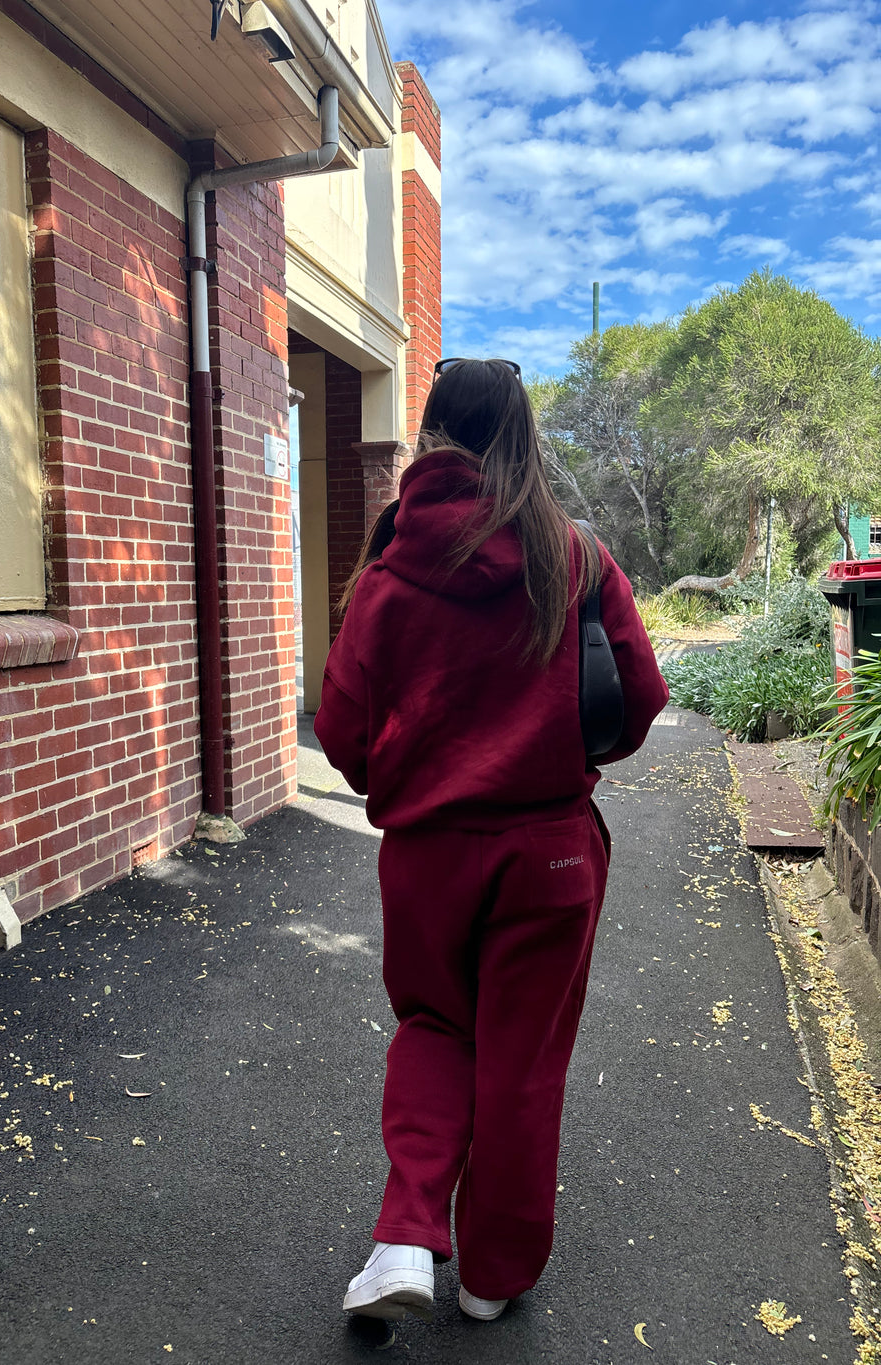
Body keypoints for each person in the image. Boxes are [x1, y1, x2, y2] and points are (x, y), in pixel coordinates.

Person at [313, 357, 669, 1325]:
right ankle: (490, 1278)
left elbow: (341, 731)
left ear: (430, 433)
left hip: (427, 855)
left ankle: (404, 1235)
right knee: (522, 1061)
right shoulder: (577, 558)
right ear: (522, 438)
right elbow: (635, 707)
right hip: (550, 852)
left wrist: (414, 775)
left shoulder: (387, 574)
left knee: (435, 1028)